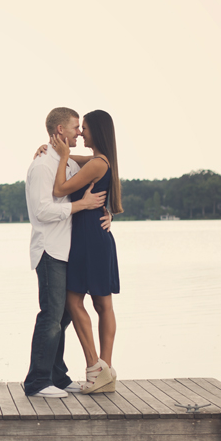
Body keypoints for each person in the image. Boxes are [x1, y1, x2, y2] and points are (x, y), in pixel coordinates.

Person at [23, 107, 110, 398]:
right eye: (75, 127)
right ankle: (37, 382)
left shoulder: (66, 162)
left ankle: (57, 376)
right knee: (51, 315)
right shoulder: (42, 167)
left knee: (63, 317)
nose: (80, 133)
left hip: (69, 250)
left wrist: (107, 212)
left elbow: (98, 172)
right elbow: (42, 210)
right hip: (50, 249)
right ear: (60, 130)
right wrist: (80, 206)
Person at [50, 109, 122, 394]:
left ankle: (97, 368)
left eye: (85, 128)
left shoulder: (97, 164)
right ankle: (104, 371)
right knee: (102, 306)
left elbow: (59, 189)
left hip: (89, 239)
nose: (81, 133)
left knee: (75, 301)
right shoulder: (101, 161)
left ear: (97, 132)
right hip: (95, 237)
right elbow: (83, 160)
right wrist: (59, 152)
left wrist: (63, 157)